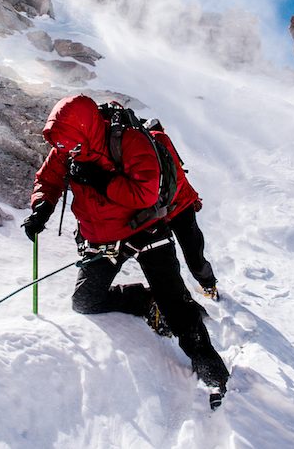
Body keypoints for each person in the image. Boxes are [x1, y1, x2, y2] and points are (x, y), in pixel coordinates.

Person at [22, 94, 229, 396]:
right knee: (85, 302)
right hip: (101, 237)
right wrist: (41, 207)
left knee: (175, 302)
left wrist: (101, 180)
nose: (67, 152)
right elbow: (49, 179)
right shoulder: (66, 147)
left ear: (86, 129)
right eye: (62, 146)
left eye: (72, 145)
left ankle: (210, 368)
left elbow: (145, 193)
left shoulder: (128, 140)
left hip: (144, 227)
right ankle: (146, 301)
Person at [144, 119, 220, 300]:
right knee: (193, 252)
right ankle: (208, 287)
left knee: (167, 258)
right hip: (181, 208)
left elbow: (176, 176)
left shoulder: (151, 142)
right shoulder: (161, 139)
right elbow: (178, 175)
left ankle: (184, 293)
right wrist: (193, 197)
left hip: (161, 213)